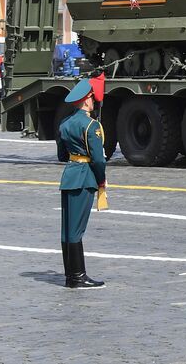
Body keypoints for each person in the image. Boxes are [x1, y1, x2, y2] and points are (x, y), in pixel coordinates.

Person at [57, 78, 107, 289]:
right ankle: (78, 276)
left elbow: (61, 156)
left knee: (67, 230)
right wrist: (101, 179)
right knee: (76, 230)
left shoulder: (65, 124)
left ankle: (71, 275)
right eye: (92, 100)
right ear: (86, 101)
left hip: (69, 176)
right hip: (85, 177)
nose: (94, 103)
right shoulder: (91, 125)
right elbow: (98, 159)